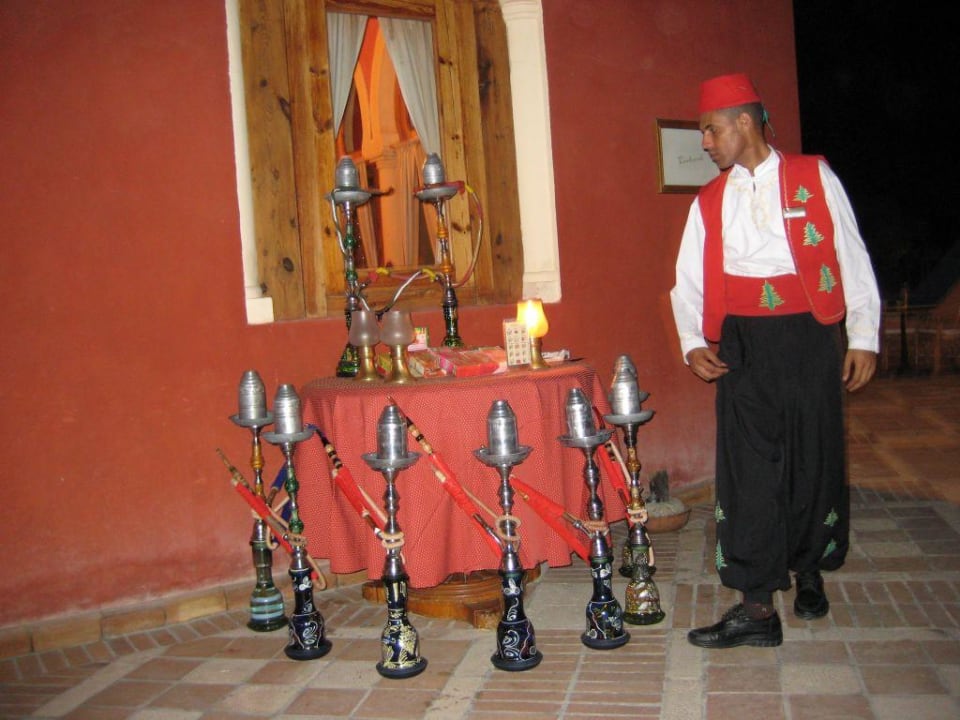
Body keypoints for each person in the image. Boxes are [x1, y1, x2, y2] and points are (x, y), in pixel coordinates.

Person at [670, 73, 881, 648]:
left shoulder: (814, 176)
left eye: (711, 130)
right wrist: (692, 340)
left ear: (745, 122)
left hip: (810, 336)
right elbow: (687, 277)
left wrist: (863, 335)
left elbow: (851, 253)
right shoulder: (709, 200)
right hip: (743, 344)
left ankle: (808, 569)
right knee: (748, 468)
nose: (705, 143)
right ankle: (757, 605)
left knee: (812, 454)